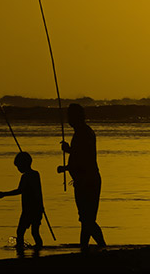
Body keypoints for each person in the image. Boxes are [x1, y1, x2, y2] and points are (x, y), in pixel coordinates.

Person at [57, 103, 106, 251]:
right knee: (86, 218)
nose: (68, 120)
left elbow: (84, 157)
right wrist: (68, 158)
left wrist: (68, 157)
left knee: (87, 218)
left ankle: (91, 247)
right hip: (84, 180)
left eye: (70, 116)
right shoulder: (82, 132)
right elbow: (82, 155)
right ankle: (91, 247)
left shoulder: (83, 133)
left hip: (87, 180)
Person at [0, 152, 44, 250]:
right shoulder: (36, 174)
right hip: (37, 208)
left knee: (20, 231)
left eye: (18, 166)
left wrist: (4, 194)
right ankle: (38, 248)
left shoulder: (26, 176)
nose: (18, 169)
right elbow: (39, 192)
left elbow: (20, 190)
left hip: (29, 210)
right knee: (35, 232)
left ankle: (20, 249)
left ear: (23, 164)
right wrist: (41, 207)